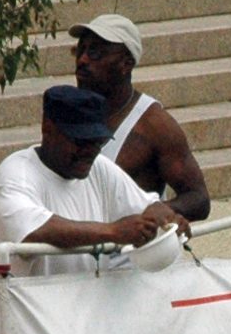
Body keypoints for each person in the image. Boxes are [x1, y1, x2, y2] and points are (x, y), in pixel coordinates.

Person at [0, 85, 187, 334]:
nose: (90, 151)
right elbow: (35, 230)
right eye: (80, 141)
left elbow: (149, 207)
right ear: (47, 128)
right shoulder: (15, 175)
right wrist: (113, 232)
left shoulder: (100, 169)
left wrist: (166, 220)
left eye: (97, 142)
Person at [68, 14, 211, 221]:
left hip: (130, 252)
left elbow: (198, 199)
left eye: (95, 53)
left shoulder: (155, 124)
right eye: (79, 50)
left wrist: (158, 211)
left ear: (126, 63)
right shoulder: (69, 112)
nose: (82, 60)